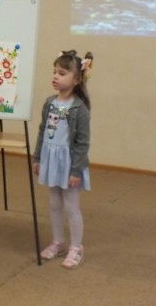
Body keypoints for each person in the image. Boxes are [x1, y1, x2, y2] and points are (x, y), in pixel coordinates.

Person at [33, 50, 94, 270]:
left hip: (69, 164)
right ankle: (58, 241)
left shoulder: (79, 109)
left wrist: (76, 171)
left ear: (77, 79)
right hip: (51, 160)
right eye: (54, 72)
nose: (55, 76)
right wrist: (38, 157)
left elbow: (82, 143)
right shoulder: (50, 103)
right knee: (54, 204)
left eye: (62, 73)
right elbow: (43, 131)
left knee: (71, 206)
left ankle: (76, 247)